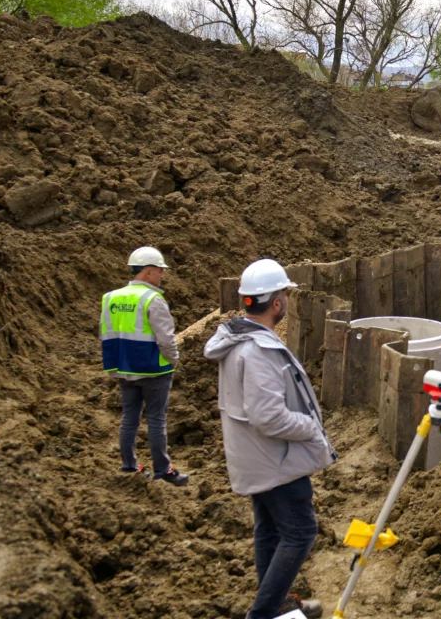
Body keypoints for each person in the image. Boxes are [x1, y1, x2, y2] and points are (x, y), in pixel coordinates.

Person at [205, 259, 335, 619]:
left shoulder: (240, 338)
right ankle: (264, 613)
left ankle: (276, 605)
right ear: (276, 303)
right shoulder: (258, 350)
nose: (288, 302)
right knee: (301, 532)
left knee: (269, 530)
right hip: (276, 460)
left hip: (256, 456)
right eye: (285, 295)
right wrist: (310, 427)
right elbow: (269, 417)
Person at [100, 246, 189, 486]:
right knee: (156, 419)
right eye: (160, 271)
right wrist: (175, 360)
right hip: (153, 369)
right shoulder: (153, 299)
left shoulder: (111, 298)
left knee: (129, 417)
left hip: (124, 367)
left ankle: (130, 466)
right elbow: (166, 339)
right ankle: (163, 470)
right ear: (148, 272)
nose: (162, 275)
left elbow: (106, 332)